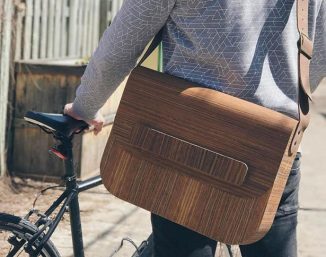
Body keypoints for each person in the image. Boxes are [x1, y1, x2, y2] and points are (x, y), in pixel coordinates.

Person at [64, 1, 326, 256]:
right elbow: (319, 54)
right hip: (272, 148)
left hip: (188, 138)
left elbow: (123, 41)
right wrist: (280, 97)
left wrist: (85, 106)